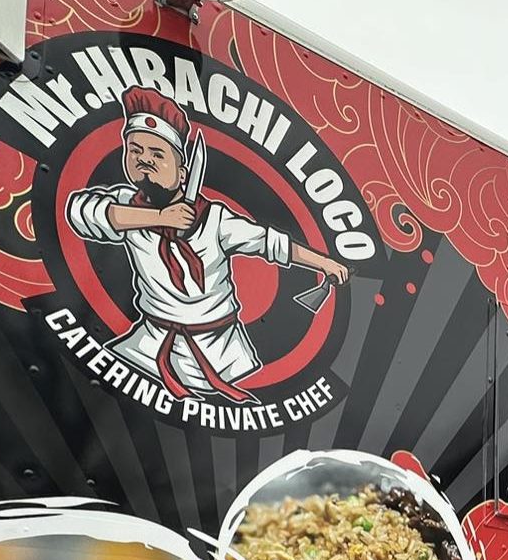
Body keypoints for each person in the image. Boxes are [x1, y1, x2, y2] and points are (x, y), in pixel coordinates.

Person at [64, 87, 348, 402]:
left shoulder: (215, 219)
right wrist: (160, 217)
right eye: (135, 150)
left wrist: (324, 263)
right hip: (151, 344)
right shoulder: (126, 206)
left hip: (222, 351)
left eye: (157, 154)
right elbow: (81, 211)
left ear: (183, 172)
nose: (144, 159)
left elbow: (271, 242)